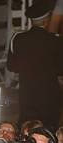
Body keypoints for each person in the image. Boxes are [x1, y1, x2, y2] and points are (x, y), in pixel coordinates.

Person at [7, 1, 63, 129]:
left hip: (27, 94)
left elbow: (11, 66)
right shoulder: (56, 40)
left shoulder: (17, 38)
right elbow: (61, 69)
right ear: (46, 20)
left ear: (31, 21)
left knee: (27, 127)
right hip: (49, 95)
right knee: (49, 129)